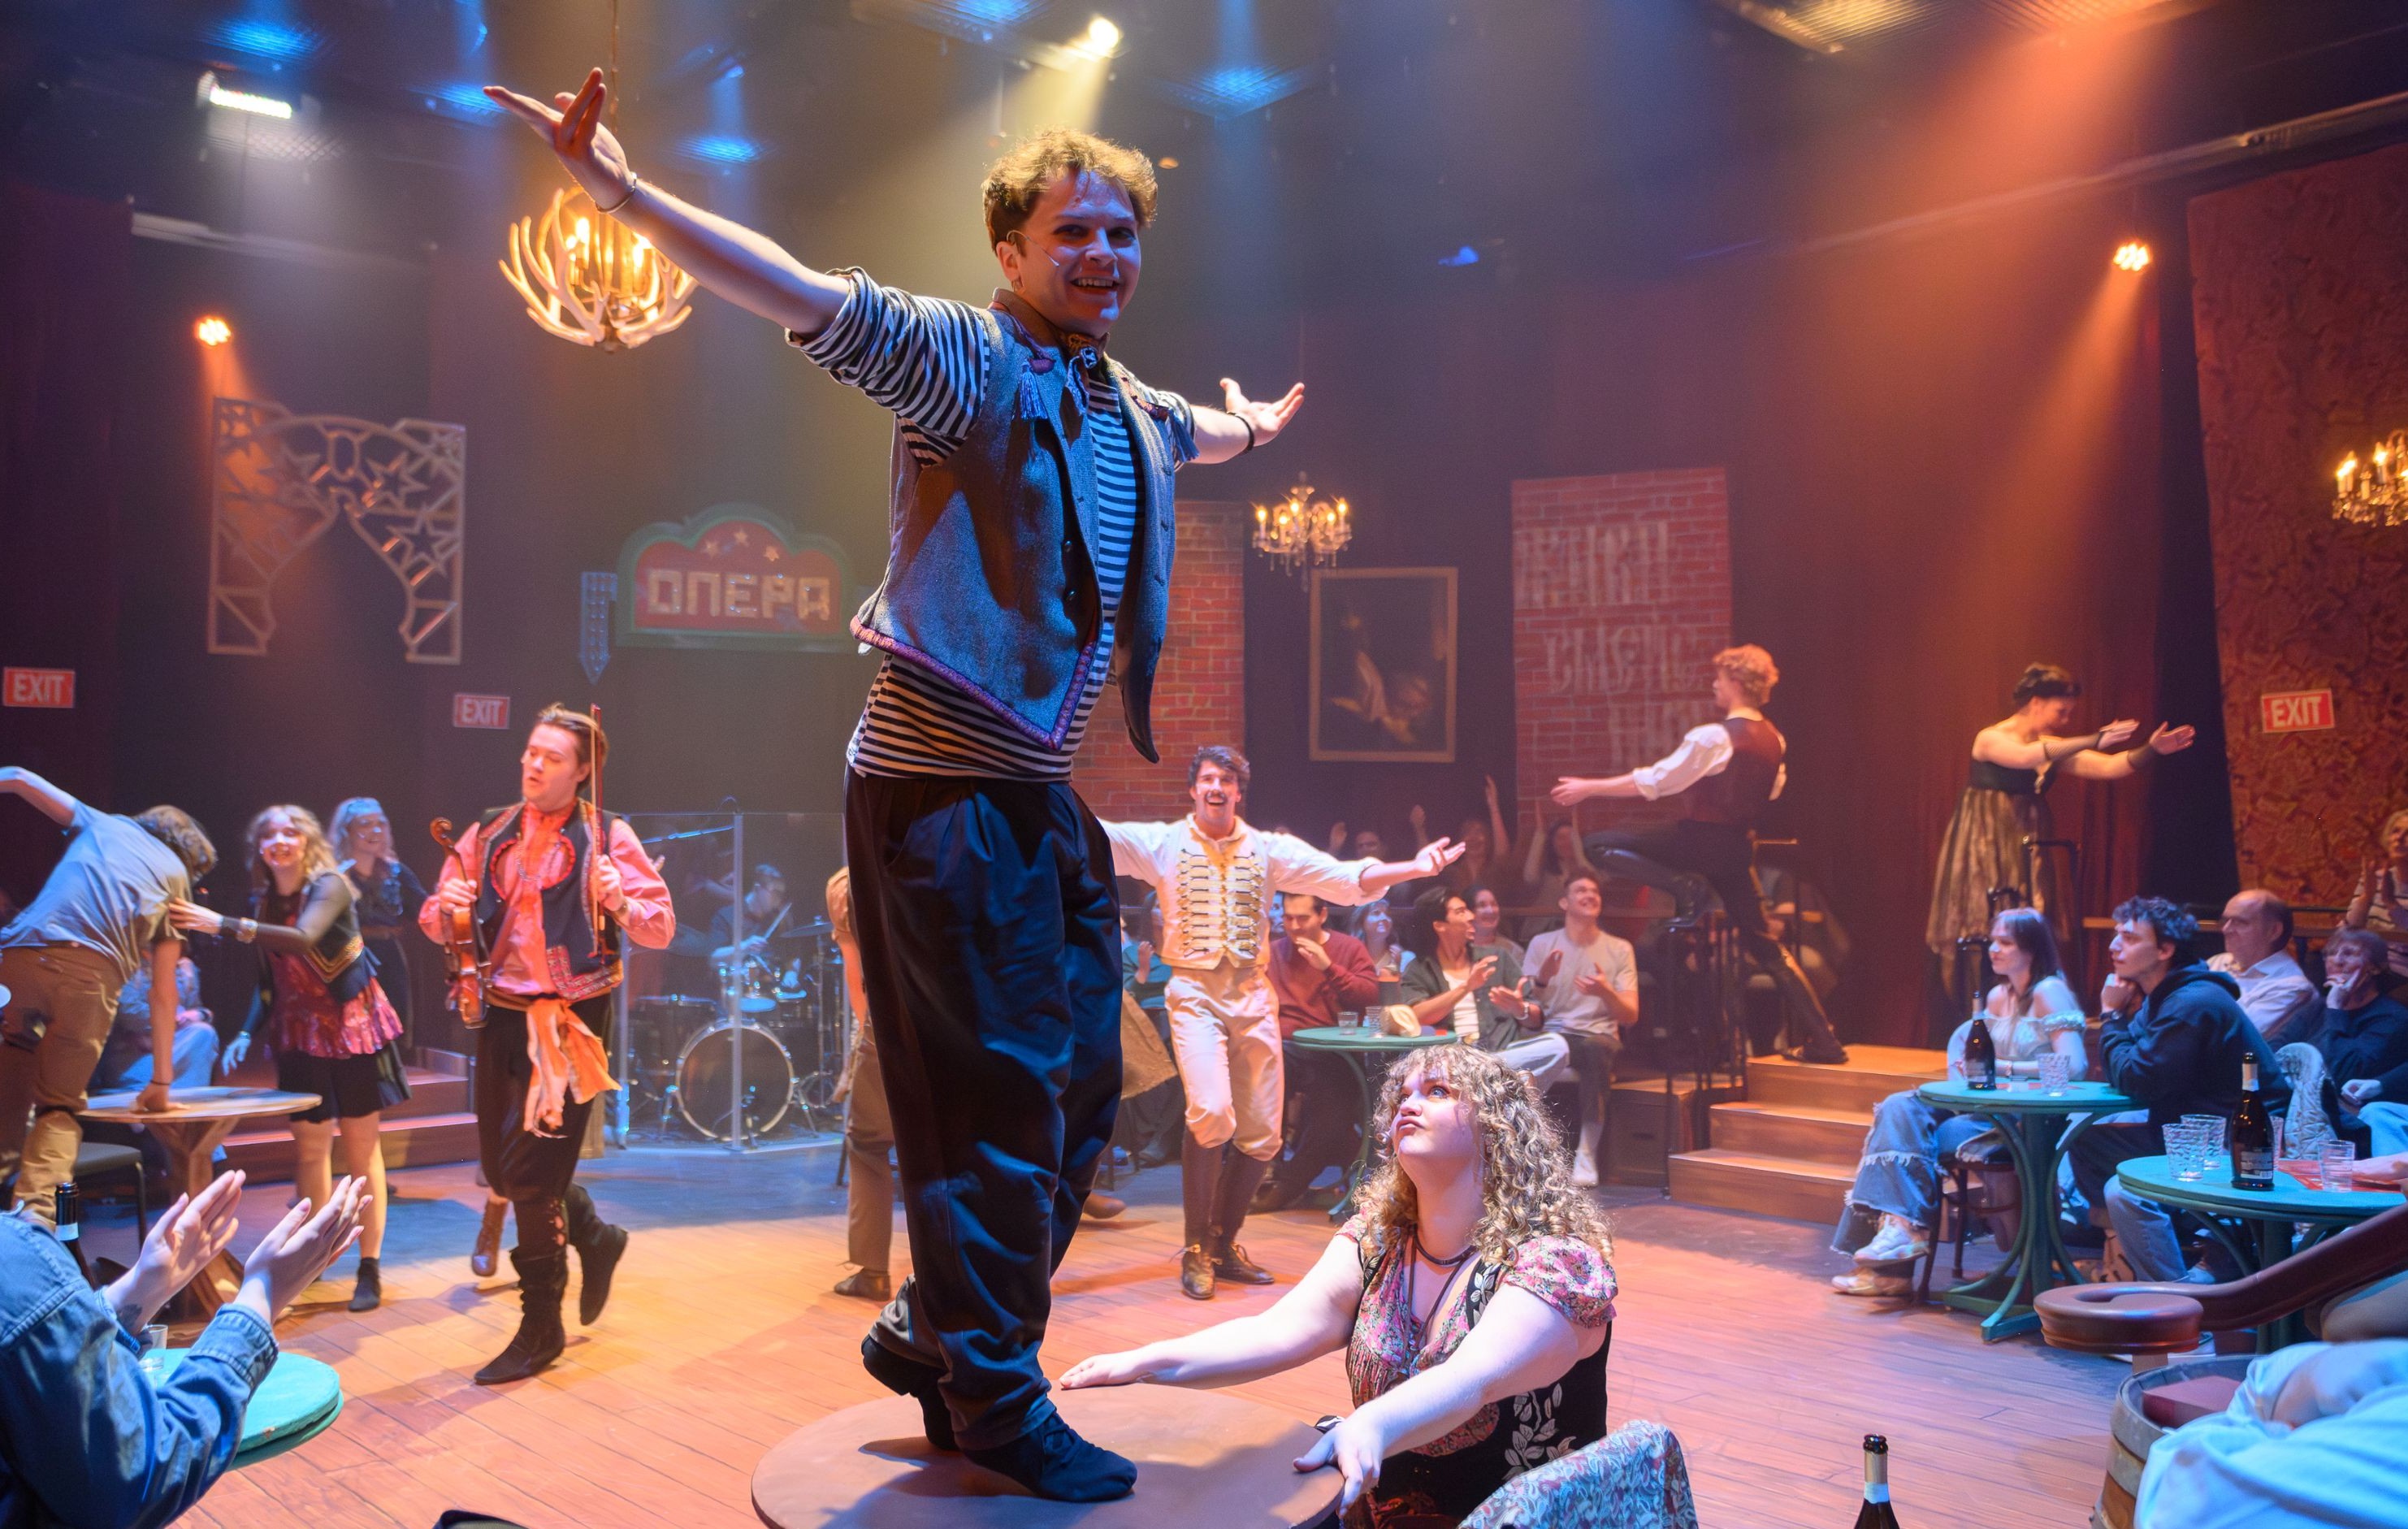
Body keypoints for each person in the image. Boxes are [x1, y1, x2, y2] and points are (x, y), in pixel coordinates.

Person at [487, 67, 1310, 1497]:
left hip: (1033, 792)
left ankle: (937, 1328)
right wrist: (619, 193)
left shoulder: (1126, 404)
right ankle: (993, 1395)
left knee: (1087, 1088)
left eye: (1122, 234)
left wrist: (1252, 427)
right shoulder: (963, 359)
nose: (1103, 255)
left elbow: (1198, 433)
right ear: (1008, 249)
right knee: (994, 1104)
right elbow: (797, 291)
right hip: (937, 792)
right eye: (1074, 233)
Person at [1059, 1045, 1616, 1524]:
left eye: (1439, 1090)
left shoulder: (1555, 1265)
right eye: (1403, 1094)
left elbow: (1472, 1380)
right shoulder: (1379, 1242)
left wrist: (1369, 1423)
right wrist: (1142, 1363)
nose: (1409, 1103)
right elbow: (1276, 1332)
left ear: (1497, 1126)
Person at [1101, 746, 1460, 1301]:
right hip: (1195, 991)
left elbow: (1344, 877)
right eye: (1207, 779)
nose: (1217, 787)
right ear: (1194, 789)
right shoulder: (1164, 843)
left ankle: (1224, 1243)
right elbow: (1095, 836)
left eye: (1226, 779)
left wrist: (1414, 867)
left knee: (1264, 1135)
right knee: (1212, 1113)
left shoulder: (1266, 850)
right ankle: (1196, 1246)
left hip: (1250, 991)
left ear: (1239, 791)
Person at [419, 706, 673, 1384]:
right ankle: (591, 1230)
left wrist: (621, 901)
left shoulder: (610, 835)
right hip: (500, 1016)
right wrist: (448, 909)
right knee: (502, 1175)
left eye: (552, 758)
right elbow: (434, 917)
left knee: (531, 1181)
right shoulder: (493, 829)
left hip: (569, 1026)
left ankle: (541, 1328)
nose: (534, 765)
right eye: (531, 753)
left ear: (583, 770)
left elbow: (661, 926)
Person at [0, 1171, 367, 1527]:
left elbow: (24, 1356)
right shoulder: (14, 1254)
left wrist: (140, 1292)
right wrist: (261, 1297)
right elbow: (139, 1477)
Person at [1551, 644, 1849, 1064]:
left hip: (1698, 841)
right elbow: (1773, 790)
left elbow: (1657, 781)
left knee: (1599, 844)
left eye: (1720, 678)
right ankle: (1825, 1040)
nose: (1714, 684)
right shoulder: (1774, 740)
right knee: (1766, 949)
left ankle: (1686, 887)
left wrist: (1590, 786)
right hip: (1736, 849)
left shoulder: (1715, 737)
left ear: (1736, 684)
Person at [171, 806, 410, 1312]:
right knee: (310, 1149)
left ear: (307, 841)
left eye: (290, 831)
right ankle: (313, 1258)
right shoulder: (263, 902)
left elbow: (303, 938)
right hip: (299, 1032)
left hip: (351, 1027)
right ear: (259, 847)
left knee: (363, 1152)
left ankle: (369, 1267)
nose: (280, 840)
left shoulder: (331, 885)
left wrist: (224, 924)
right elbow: (268, 983)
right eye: (269, 834)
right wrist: (243, 1032)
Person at [1828, 908, 2085, 1297]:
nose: (1994, 950)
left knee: (1912, 1134)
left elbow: (2075, 1065)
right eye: (1993, 941)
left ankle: (1895, 1265)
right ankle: (1901, 1233)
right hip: (1986, 1108)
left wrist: (2006, 1068)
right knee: (1899, 1108)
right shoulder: (1999, 997)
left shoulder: (2049, 991)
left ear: (2031, 949)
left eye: (2006, 942)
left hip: (2022, 1118)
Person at [0, 767, 213, 1224]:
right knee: (58, 1105)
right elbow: (163, 992)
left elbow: (17, 777)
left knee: (11, 1064)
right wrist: (159, 1083)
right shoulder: (175, 878)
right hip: (87, 979)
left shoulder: (103, 822)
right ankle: (34, 1222)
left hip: (17, 957)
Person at [1924, 663, 2195, 971]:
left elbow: (2108, 767)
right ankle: (1985, 990)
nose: (2066, 720)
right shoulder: (1991, 738)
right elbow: (2026, 757)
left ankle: (2029, 984)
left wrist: (2152, 749)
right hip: (1987, 838)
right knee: (1988, 910)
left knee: (2033, 908)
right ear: (2036, 703)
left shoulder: (2050, 746)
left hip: (2027, 835)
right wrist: (2094, 738)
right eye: (2061, 711)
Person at [2082, 897, 2290, 1285]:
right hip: (2191, 1132)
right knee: (2084, 1139)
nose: (2114, 946)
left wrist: (2111, 1015)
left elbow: (2137, 1079)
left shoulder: (2191, 1002)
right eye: (2116, 936)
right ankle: (2124, 1251)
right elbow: (2130, 1069)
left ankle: (2182, 1302)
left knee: (2121, 1189)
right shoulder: (2163, 997)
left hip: (2236, 1145)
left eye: (2128, 937)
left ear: (2164, 950)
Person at [1262, 891, 1382, 1212]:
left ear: (1323, 915)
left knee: (1333, 1112)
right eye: (1288, 918)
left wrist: (1329, 967)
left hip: (1334, 1051)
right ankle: (1265, 1172)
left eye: (1303, 918)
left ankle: (1286, 1187)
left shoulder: (1347, 948)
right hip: (1284, 1046)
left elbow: (1369, 997)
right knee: (1265, 1070)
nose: (1295, 926)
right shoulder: (1274, 952)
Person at [1522, 871, 1638, 1188]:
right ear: (1564, 902)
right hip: (1555, 1034)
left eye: (1595, 892)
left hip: (1598, 1037)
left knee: (1592, 1048)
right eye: (1581, 890)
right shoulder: (1542, 944)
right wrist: (1542, 978)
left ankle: (1586, 1155)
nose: (1590, 896)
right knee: (1537, 1052)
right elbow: (1527, 1008)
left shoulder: (1619, 948)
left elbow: (1630, 1014)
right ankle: (1529, 1152)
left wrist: (1605, 992)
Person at [1399, 889, 1570, 1092]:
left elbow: (1536, 1019)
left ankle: (1483, 1087)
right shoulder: (1420, 968)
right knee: (1417, 1064)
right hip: (1452, 1060)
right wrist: (1466, 986)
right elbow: (1415, 1016)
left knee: (1557, 1046)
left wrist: (1520, 1009)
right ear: (1439, 926)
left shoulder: (1498, 958)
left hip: (1499, 1055)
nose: (1471, 916)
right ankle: (1498, 1094)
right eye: (1461, 912)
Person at [824, 868, 896, 1302]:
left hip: (890, 1024)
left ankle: (873, 1272)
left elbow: (858, 984)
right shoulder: (959, 855)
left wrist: (867, 1039)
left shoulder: (849, 885)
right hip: (967, 1025)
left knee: (868, 1142)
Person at [2285, 929, 2408, 1157]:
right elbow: (2275, 1051)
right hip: (2301, 1110)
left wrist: (2336, 1012)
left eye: (2349, 953)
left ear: (2376, 967)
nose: (2337, 961)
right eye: (2330, 954)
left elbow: (2343, 1073)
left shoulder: (2392, 1018)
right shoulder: (2316, 1009)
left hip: (2347, 1129)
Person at [331, 797, 428, 1049]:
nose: (375, 831)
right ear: (347, 832)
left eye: (379, 824)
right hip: (350, 955)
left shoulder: (397, 872)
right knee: (354, 1028)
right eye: (365, 824)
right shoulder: (335, 875)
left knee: (392, 1027)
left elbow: (427, 909)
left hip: (388, 954)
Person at [93, 955, 218, 1092]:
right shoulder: (129, 963)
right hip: (135, 1054)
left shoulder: (184, 969)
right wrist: (172, 1019)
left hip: (173, 1044)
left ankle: (187, 1095)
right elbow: (129, 1013)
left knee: (203, 1033)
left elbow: (193, 1010)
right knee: (200, 1032)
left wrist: (201, 1014)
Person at [2208, 889, 2318, 1041]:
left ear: (2274, 931)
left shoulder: (2292, 987)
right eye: (2225, 921)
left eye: (2240, 922)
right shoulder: (2218, 961)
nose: (2226, 929)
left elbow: (2231, 1038)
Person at [2342, 807, 2408, 979]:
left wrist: (2391, 903)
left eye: (2407, 833)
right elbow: (2348, 930)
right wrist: (2366, 897)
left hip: (2401, 973)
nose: (2399, 838)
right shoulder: (2377, 878)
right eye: (2395, 831)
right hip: (2364, 968)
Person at [1470, 885, 1526, 964]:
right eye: (1482, 905)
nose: (1491, 911)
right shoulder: (1457, 949)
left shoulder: (1513, 951)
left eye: (1493, 904)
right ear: (1468, 912)